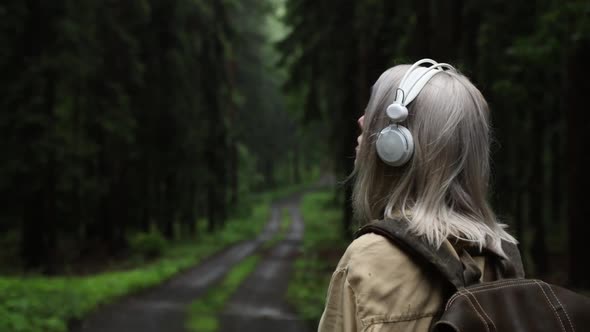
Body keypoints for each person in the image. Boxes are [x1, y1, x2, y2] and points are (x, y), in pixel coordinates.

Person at [317, 59, 519, 332]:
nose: (361, 120)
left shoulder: (368, 259)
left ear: (396, 145)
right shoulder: (503, 256)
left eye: (375, 113)